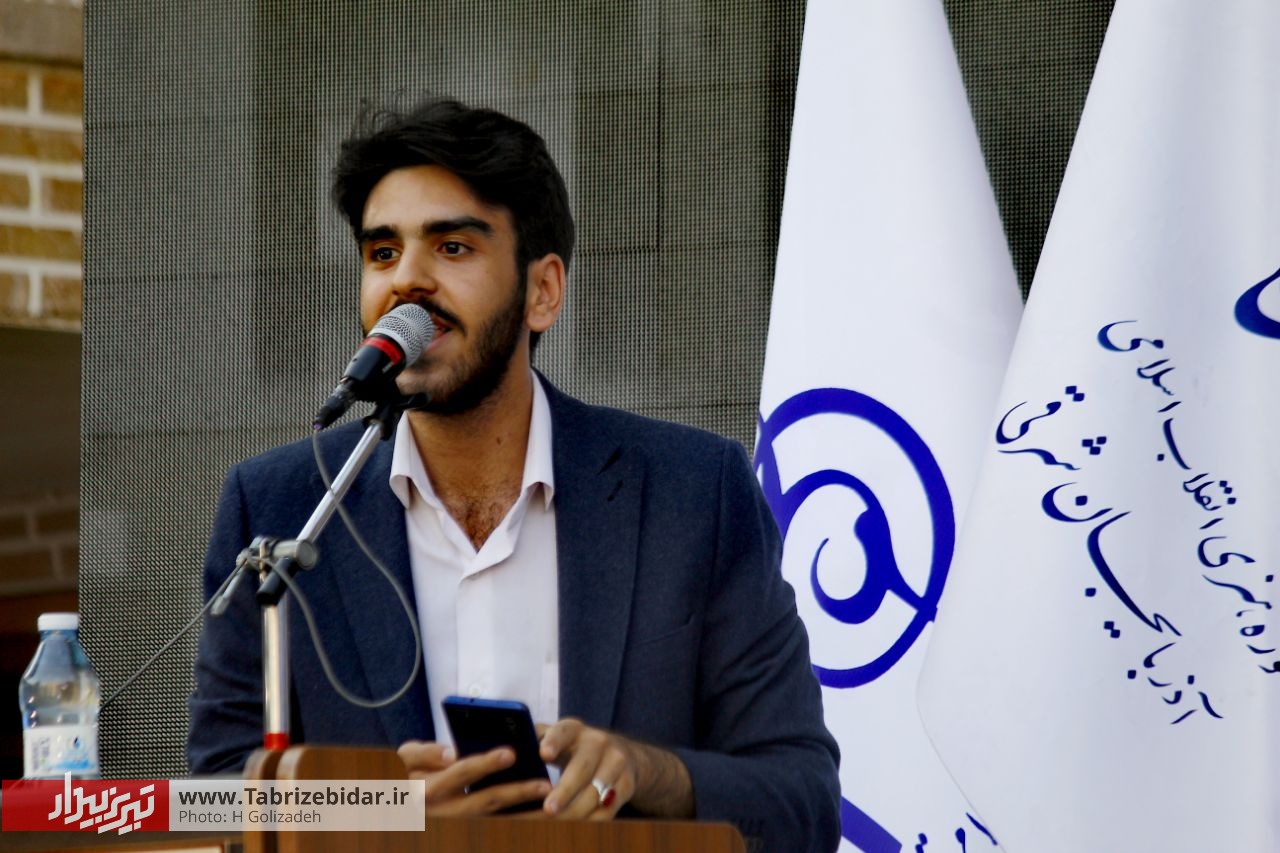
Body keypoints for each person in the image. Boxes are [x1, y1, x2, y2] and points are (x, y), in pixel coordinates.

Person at [188, 94, 840, 852]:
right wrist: (383, 809)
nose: (407, 281)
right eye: (382, 253)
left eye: (452, 247)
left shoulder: (694, 493)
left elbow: (804, 803)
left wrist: (645, 772)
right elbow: (210, 801)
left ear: (543, 291)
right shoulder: (282, 508)